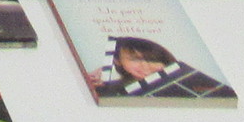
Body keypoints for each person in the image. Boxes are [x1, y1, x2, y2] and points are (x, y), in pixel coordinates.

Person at [92, 34, 236, 101]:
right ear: (118, 61)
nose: (145, 66)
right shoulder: (109, 87)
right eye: (135, 59)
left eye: (153, 60)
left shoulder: (188, 81)